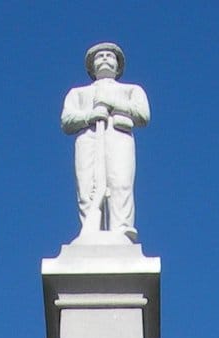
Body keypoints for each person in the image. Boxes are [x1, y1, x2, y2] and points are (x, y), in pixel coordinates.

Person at [61, 43, 149, 239]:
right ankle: (90, 229)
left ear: (118, 66)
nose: (105, 59)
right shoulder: (78, 93)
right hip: (88, 138)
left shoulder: (131, 90)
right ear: (91, 66)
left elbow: (143, 115)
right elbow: (66, 121)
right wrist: (89, 116)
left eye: (110, 56)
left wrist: (110, 103)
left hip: (119, 137)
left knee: (120, 183)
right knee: (87, 188)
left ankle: (122, 229)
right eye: (99, 56)